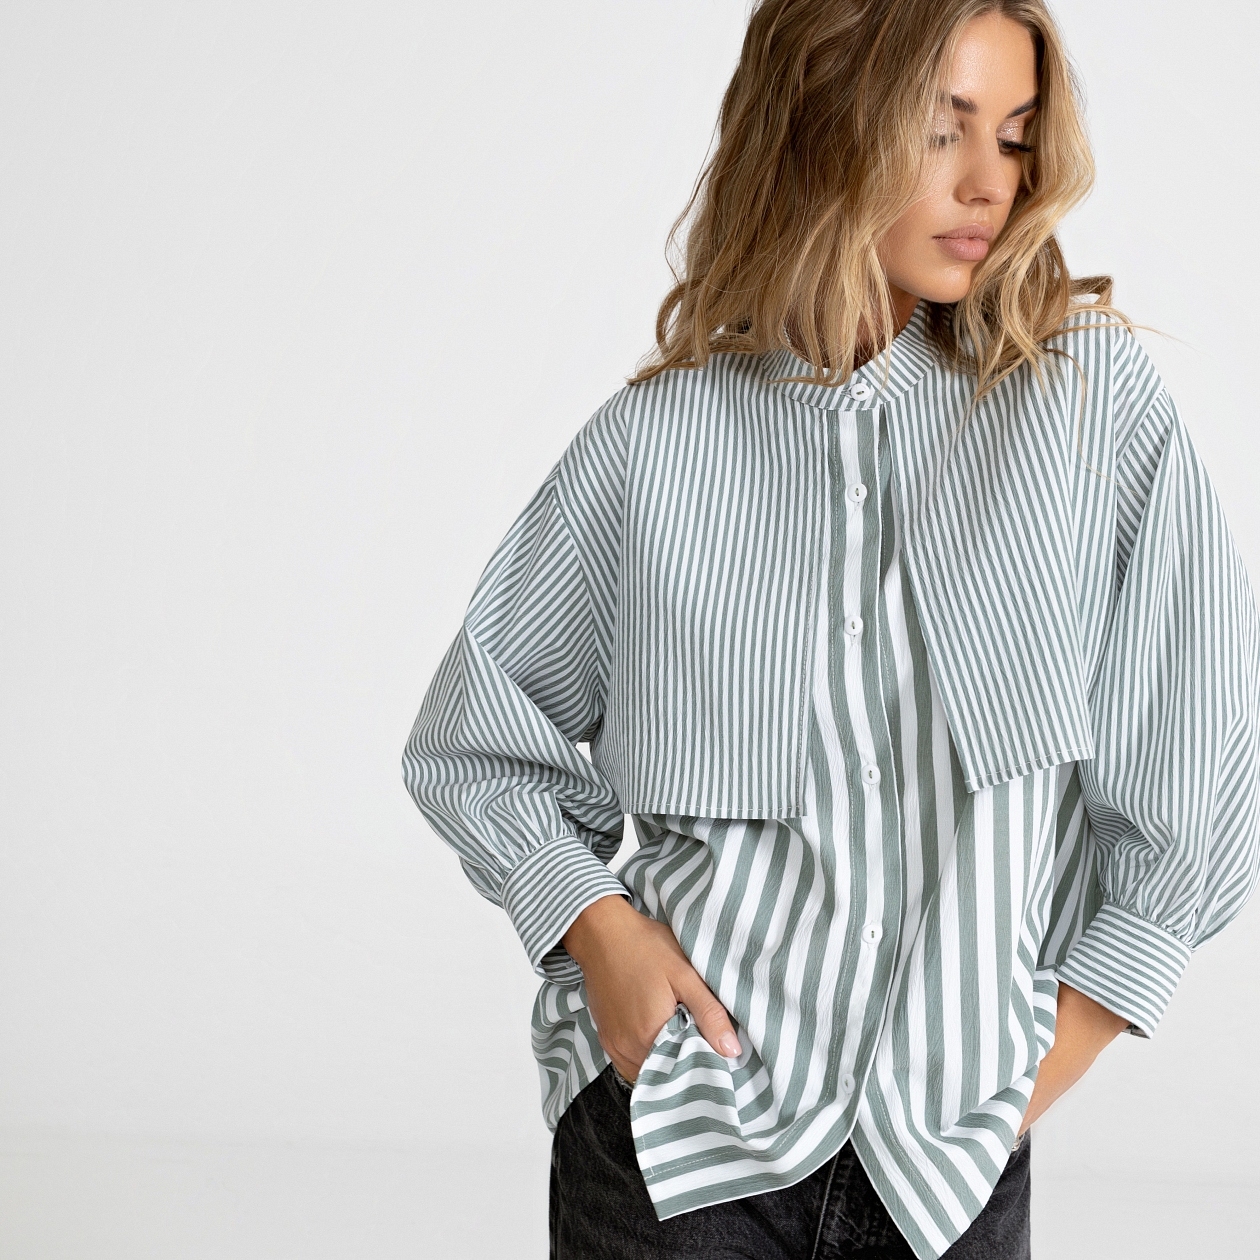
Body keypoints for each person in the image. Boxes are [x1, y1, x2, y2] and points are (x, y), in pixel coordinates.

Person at [402, 1, 1260, 1256]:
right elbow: (476, 734)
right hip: (681, 1151)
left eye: (1016, 136)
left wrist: (1025, 1077)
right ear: (823, 125)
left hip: (947, 1175)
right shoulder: (658, 445)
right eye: (941, 130)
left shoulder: (1088, 407)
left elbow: (1201, 751)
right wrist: (600, 930)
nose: (989, 183)